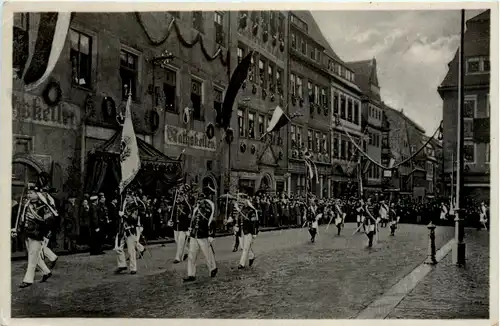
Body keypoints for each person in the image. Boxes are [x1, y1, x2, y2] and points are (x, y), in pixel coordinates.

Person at [12, 185, 55, 288]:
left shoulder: (43, 207)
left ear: (37, 194)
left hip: (37, 235)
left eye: (31, 193)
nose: (29, 195)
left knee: (32, 258)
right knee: (34, 256)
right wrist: (17, 230)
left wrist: (46, 235)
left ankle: (28, 280)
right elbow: (22, 220)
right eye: (28, 193)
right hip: (27, 234)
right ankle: (46, 272)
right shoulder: (27, 205)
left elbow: (50, 222)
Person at [184, 186, 217, 283]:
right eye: (198, 199)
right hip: (195, 234)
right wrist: (190, 229)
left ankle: (213, 268)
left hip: (203, 235)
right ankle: (191, 274)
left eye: (201, 199)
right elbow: (193, 220)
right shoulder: (196, 209)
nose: (199, 201)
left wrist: (211, 235)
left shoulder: (209, 208)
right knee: (191, 255)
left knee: (207, 254)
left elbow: (212, 221)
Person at [114, 200, 140, 275]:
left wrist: (123, 215)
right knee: (117, 248)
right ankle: (122, 265)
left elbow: (133, 219)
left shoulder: (134, 207)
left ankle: (133, 268)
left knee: (131, 250)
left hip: (130, 230)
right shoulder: (120, 204)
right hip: (121, 230)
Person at [235, 197, 259, 269]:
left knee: (245, 248)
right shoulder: (241, 210)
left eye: (244, 200)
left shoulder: (251, 211)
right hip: (241, 230)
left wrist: (254, 233)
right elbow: (237, 219)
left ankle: (241, 263)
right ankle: (251, 256)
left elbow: (254, 223)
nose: (243, 202)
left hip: (249, 231)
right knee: (243, 247)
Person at [170, 186, 191, 263]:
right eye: (178, 196)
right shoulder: (175, 204)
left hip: (183, 226)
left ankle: (177, 258)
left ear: (184, 197)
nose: (179, 198)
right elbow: (172, 214)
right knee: (176, 240)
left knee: (180, 242)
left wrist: (182, 211)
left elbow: (189, 216)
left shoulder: (187, 205)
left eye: (181, 196)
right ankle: (187, 252)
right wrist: (171, 220)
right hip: (176, 226)